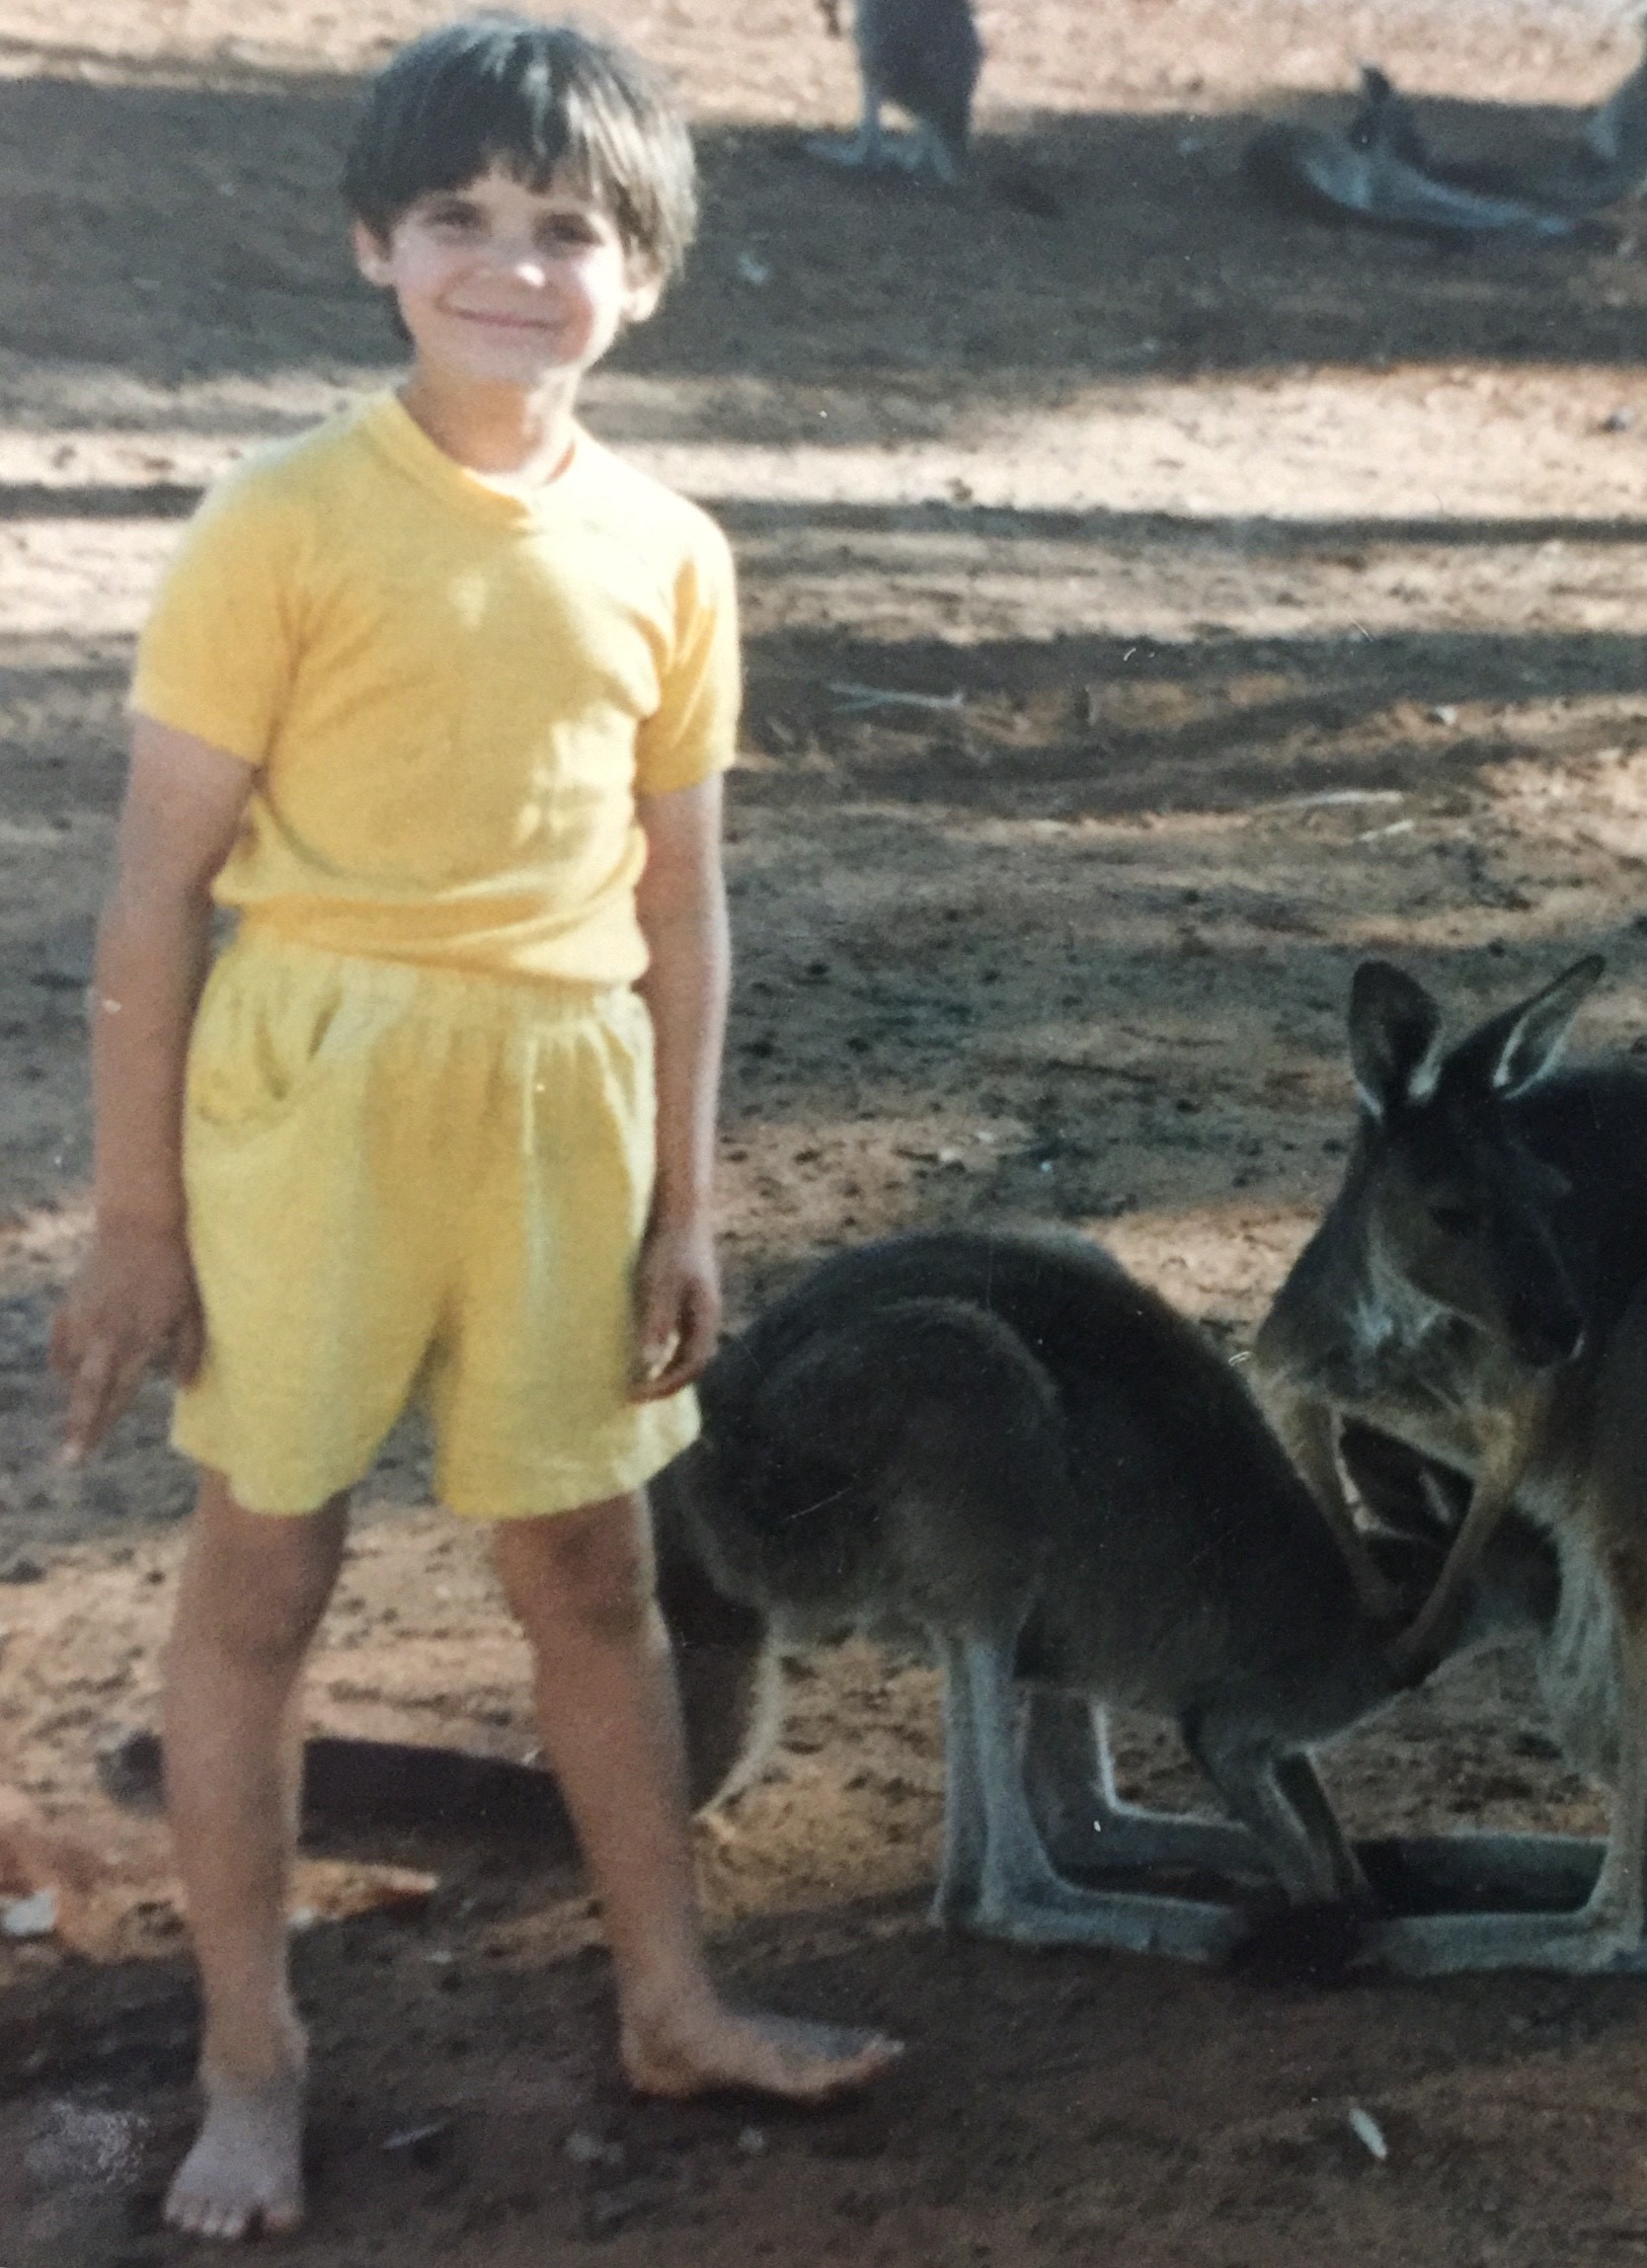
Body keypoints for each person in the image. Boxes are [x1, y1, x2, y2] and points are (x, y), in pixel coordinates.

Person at [47, 17, 900, 2239]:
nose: (513, 269)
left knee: (587, 1579)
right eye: (462, 223)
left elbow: (680, 891)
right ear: (374, 245)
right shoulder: (283, 521)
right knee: (267, 1575)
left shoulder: (668, 550)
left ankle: (671, 1997)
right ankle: (255, 2059)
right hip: (314, 1099)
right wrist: (137, 1217)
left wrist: (684, 1200)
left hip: (559, 1104)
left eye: (568, 231)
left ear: (643, 271)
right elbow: (153, 884)